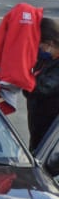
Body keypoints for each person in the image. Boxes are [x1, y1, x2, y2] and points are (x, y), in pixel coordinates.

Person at [26, 17, 59, 150]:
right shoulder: (45, 60)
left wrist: (25, 79)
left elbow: (43, 88)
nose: (39, 49)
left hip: (51, 133)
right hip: (37, 127)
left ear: (50, 43)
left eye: (40, 45)